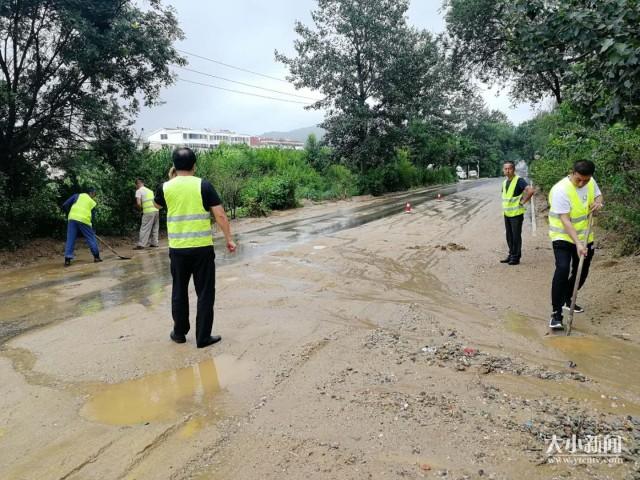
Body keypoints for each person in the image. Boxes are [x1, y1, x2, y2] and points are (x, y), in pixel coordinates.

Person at [154, 147, 236, 348]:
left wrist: (171, 179)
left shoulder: (164, 187)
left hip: (178, 249)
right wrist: (229, 239)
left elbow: (156, 207)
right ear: (194, 165)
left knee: (179, 291)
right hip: (201, 249)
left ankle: (179, 333)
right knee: (205, 292)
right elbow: (220, 215)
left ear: (173, 166)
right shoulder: (204, 185)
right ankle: (203, 337)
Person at [547, 160, 604, 330]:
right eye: (578, 179)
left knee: (583, 270)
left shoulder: (591, 181)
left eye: (585, 180)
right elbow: (565, 220)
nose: (582, 183)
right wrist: (578, 244)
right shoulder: (560, 190)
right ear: (572, 172)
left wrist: (599, 203)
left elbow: (599, 196)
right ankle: (556, 315)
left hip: (586, 236)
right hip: (562, 236)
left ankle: (567, 297)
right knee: (563, 268)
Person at [500, 161, 535, 265]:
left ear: (513, 169)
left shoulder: (519, 180)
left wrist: (523, 201)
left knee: (516, 236)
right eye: (505, 169)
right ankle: (511, 254)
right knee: (509, 236)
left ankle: (516, 257)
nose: (507, 171)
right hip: (507, 214)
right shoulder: (504, 182)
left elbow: (531, 191)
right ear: (503, 170)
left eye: (509, 168)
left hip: (516, 214)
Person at [62, 187, 102, 267]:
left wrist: (70, 214)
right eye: (94, 194)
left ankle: (67, 260)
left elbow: (65, 205)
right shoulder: (92, 202)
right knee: (91, 238)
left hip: (72, 219)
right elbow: (93, 218)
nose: (94, 196)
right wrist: (93, 229)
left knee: (70, 238)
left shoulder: (76, 196)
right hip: (85, 221)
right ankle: (96, 257)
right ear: (91, 193)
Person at [134, 178, 160, 249]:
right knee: (155, 227)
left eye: (136, 185)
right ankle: (154, 243)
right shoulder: (150, 191)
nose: (136, 186)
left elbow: (138, 203)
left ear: (138, 183)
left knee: (144, 227)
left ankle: (141, 244)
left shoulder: (139, 191)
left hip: (148, 212)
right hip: (156, 210)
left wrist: (140, 209)